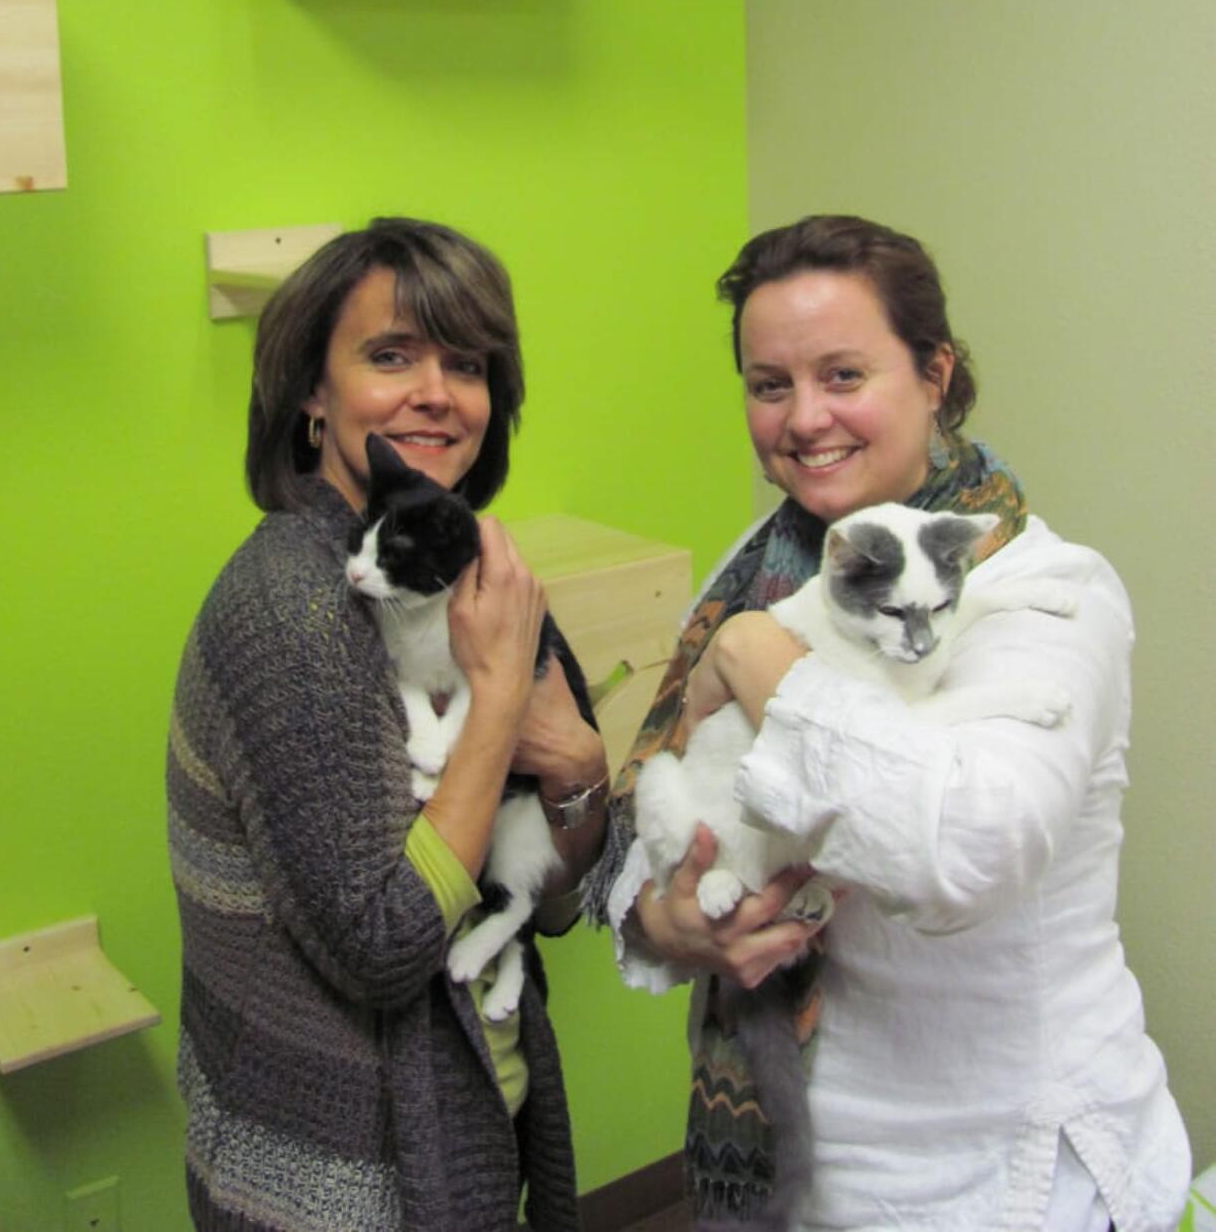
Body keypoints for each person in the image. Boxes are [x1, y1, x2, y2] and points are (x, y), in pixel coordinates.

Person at [587, 214, 1190, 1231]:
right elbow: (657, 799)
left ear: (933, 376)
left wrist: (755, 661)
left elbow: (959, 848)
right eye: (768, 385)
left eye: (842, 376)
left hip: (997, 1177)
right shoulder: (772, 558)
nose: (802, 418)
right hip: (795, 1161)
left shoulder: (1048, 596)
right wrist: (668, 923)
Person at [168, 216, 609, 1232]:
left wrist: (580, 764)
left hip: (467, 1140)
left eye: (466, 364)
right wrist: (499, 706)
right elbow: (382, 942)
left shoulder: (474, 574)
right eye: (390, 355)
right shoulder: (295, 607)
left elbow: (554, 899)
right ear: (312, 396)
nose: (436, 393)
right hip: (336, 1183)